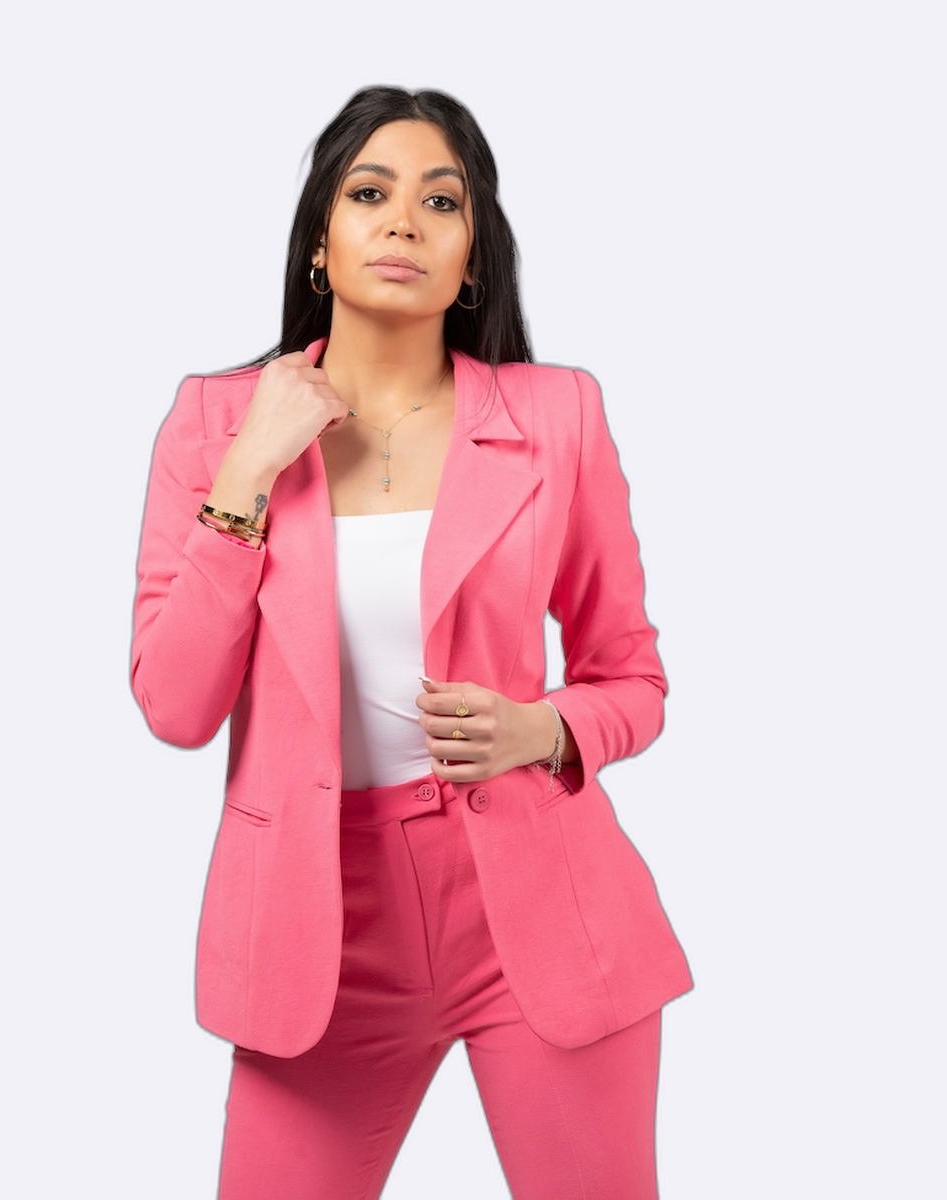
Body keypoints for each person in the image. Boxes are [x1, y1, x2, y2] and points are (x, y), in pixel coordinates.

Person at [131, 85, 692, 1200]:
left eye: (442, 200)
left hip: (541, 914)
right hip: (317, 932)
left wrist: (543, 729)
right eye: (369, 193)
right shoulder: (212, 424)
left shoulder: (557, 417)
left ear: (472, 258)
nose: (403, 221)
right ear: (320, 241)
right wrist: (249, 470)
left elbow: (633, 678)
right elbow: (176, 707)